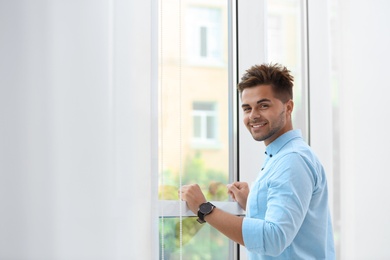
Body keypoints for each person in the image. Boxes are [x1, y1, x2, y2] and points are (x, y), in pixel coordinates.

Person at [179, 63, 335, 259]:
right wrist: (253, 204)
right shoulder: (282, 156)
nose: (253, 116)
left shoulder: (292, 160)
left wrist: (205, 209)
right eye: (247, 108)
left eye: (263, 105)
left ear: (288, 107)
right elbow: (291, 224)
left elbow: (273, 239)